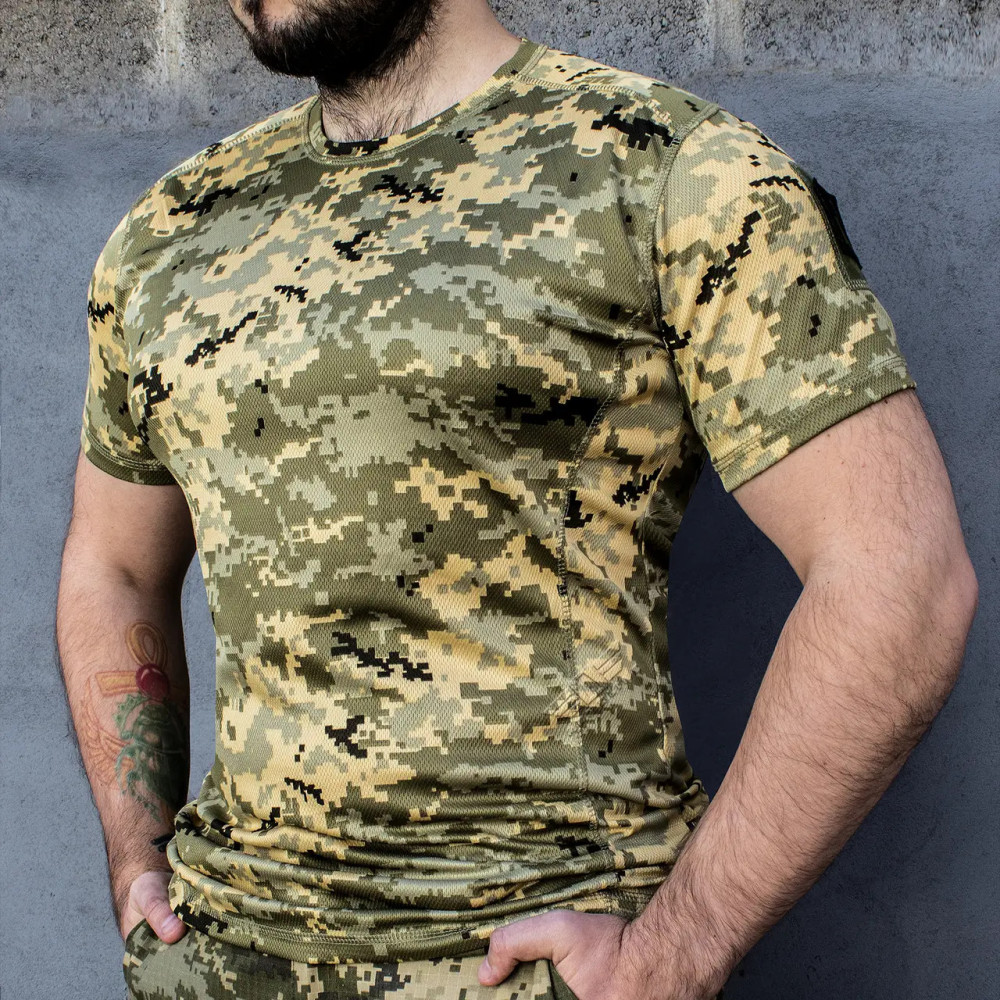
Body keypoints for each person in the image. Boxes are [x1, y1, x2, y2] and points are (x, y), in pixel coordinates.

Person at [55, 0, 979, 998]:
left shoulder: (673, 172)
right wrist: (134, 851)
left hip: (530, 965)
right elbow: (115, 565)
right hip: (219, 960)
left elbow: (899, 578)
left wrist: (680, 948)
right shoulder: (171, 231)